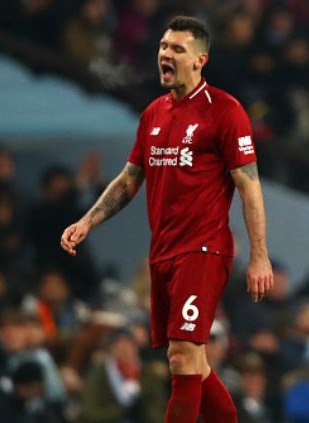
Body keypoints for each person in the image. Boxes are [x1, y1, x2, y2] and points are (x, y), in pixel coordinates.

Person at [60, 16, 273, 423]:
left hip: (203, 248)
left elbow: (249, 186)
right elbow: (129, 179)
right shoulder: (153, 114)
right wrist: (88, 221)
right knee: (195, 363)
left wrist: (260, 256)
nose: (165, 54)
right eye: (162, 46)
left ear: (200, 60)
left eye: (177, 49)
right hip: (162, 252)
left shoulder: (224, 111)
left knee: (181, 355)